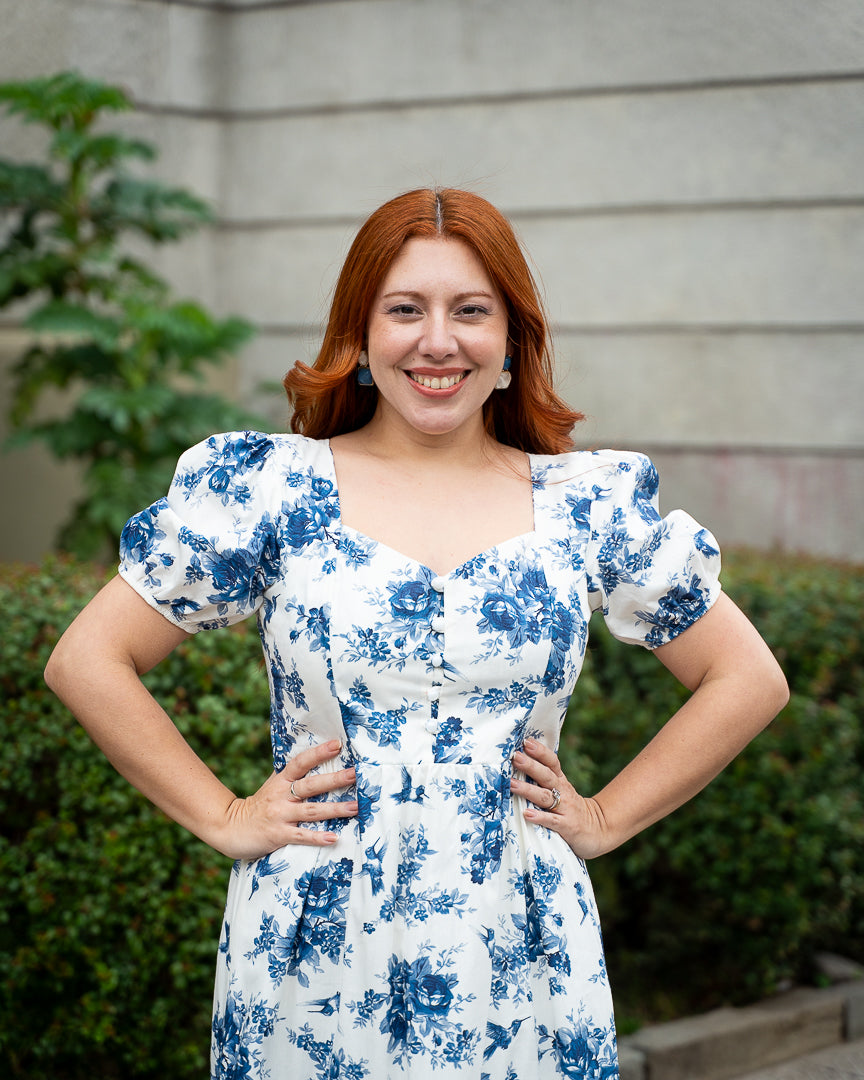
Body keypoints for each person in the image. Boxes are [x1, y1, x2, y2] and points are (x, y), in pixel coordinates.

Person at [45, 188, 789, 1080]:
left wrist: (604, 816)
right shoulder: (274, 492)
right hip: (313, 942)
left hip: (521, 936)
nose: (439, 340)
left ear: (513, 340)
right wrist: (223, 815)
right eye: (405, 309)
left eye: (471, 310)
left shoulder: (582, 506)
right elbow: (88, 658)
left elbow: (747, 678)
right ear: (360, 336)